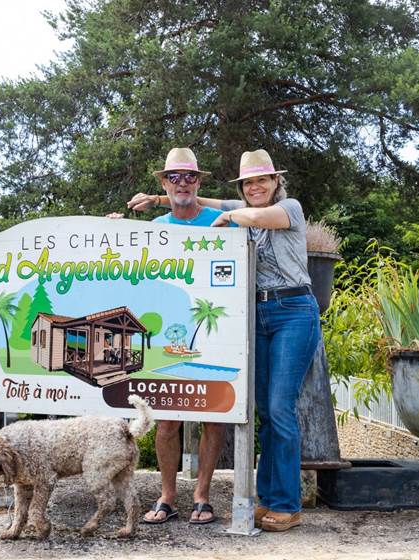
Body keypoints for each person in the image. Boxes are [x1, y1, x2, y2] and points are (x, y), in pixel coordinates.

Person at [129, 149, 320, 532]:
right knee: (265, 409)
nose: (255, 187)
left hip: (292, 310)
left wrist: (229, 214)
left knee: (281, 408)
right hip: (256, 315)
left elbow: (239, 213)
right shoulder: (238, 208)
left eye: (262, 180)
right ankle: (268, 499)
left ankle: (287, 503)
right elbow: (197, 199)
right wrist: (157, 200)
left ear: (276, 182)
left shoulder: (288, 209)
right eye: (248, 183)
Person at [123, 147, 231, 525]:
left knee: (213, 417)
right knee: (167, 419)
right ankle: (168, 496)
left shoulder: (223, 222)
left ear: (198, 182)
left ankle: (202, 495)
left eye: (189, 177)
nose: (182, 183)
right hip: (165, 338)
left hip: (214, 332)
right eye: (174, 177)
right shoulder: (155, 228)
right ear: (164, 183)